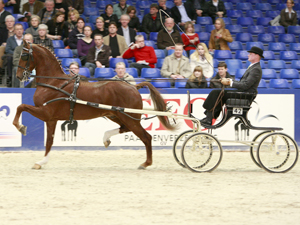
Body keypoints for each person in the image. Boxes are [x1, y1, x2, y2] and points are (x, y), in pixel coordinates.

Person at [200, 46, 264, 126]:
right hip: (244, 93)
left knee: (216, 92)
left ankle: (209, 118)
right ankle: (210, 117)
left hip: (245, 95)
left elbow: (245, 85)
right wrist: (230, 81)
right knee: (219, 93)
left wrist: (229, 83)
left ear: (256, 56)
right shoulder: (253, 67)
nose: (248, 55)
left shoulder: (256, 69)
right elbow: (244, 83)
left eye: (250, 54)